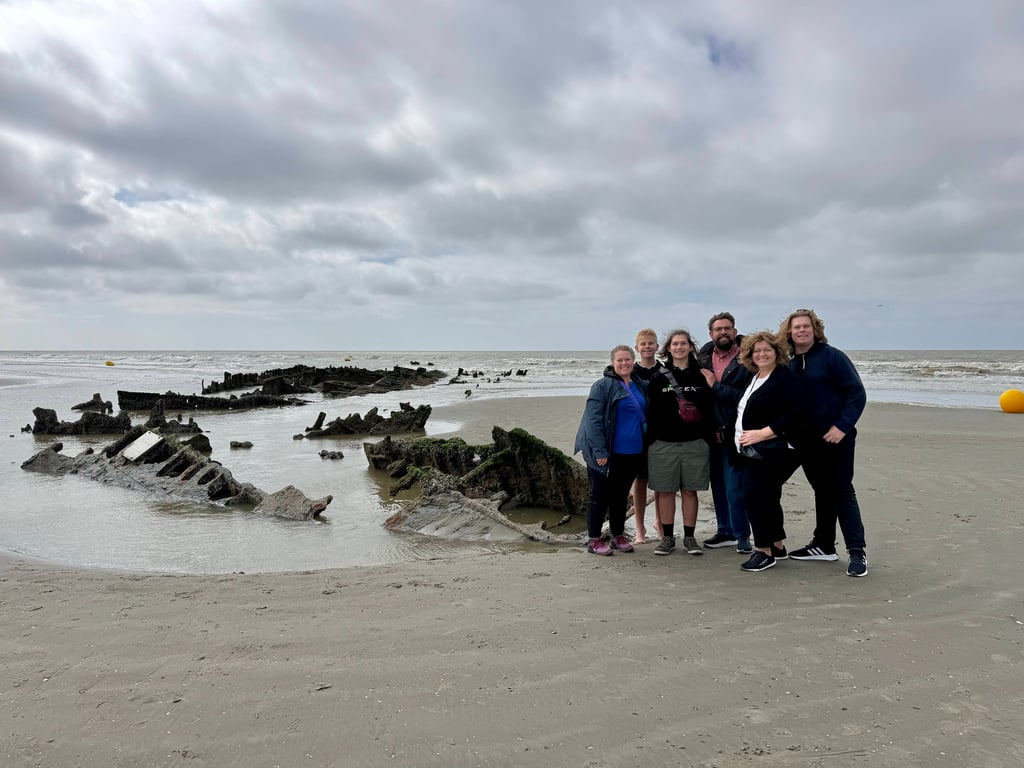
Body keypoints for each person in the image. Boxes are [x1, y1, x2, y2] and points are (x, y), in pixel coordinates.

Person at [779, 309, 869, 577]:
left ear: (815, 330)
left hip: (836, 438)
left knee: (842, 490)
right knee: (821, 490)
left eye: (807, 327)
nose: (802, 331)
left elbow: (856, 393)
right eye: (797, 327)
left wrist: (842, 426)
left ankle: (857, 552)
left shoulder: (832, 357)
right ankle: (824, 545)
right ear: (790, 332)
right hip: (805, 441)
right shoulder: (789, 362)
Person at [731, 331, 805, 572]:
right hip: (755, 449)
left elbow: (797, 414)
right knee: (769, 495)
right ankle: (777, 546)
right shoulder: (757, 376)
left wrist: (763, 433)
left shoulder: (785, 378)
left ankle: (763, 552)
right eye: (757, 350)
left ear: (777, 352)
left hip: (776, 449)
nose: (761, 354)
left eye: (767, 350)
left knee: (753, 495)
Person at [573, 345, 649, 555]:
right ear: (613, 363)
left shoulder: (639, 385)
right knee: (599, 495)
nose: (624, 364)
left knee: (620, 495)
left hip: (633, 451)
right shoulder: (602, 386)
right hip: (607, 452)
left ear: (633, 362)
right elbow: (593, 421)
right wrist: (600, 452)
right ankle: (594, 539)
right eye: (620, 360)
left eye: (628, 360)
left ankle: (617, 536)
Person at [645, 329, 714, 556]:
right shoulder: (659, 377)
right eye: (675, 344)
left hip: (695, 442)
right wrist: (653, 440)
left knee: (689, 491)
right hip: (663, 444)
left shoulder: (701, 375)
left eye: (683, 343)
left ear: (690, 347)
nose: (679, 347)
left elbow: (709, 408)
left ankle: (690, 537)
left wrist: (706, 437)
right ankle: (667, 538)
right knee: (665, 491)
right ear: (668, 348)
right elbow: (650, 411)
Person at [698, 312, 754, 554]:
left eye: (727, 328)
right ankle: (725, 531)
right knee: (718, 486)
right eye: (718, 329)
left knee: (735, 486)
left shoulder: (747, 359)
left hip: (736, 431)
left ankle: (742, 535)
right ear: (711, 334)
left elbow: (747, 398)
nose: (723, 332)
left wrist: (715, 386)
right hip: (710, 433)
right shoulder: (703, 360)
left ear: (734, 331)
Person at [630, 328, 665, 543]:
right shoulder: (630, 372)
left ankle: (660, 523)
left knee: (661, 482)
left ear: (657, 347)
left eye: (651, 343)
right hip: (638, 435)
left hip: (660, 433)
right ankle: (640, 528)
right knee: (640, 481)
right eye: (643, 344)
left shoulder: (664, 371)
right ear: (637, 348)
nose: (647, 347)